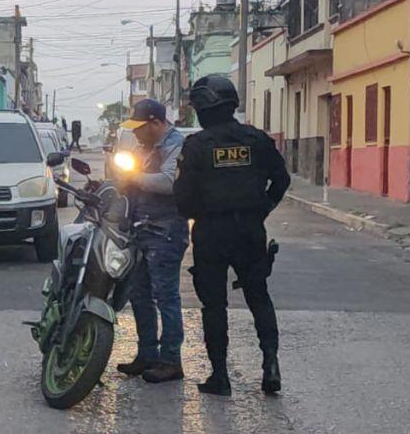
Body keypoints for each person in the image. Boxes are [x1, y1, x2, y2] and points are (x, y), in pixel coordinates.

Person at [174, 75, 291, 397]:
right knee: (258, 296)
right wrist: (261, 210)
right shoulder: (257, 140)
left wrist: (200, 213)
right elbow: (281, 180)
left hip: (211, 232)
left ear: (204, 108)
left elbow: (182, 199)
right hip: (250, 230)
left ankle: (220, 376)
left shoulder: (196, 147)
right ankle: (270, 365)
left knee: (214, 305)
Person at [115, 99, 190, 384]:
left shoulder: (176, 146)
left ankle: (171, 360)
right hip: (141, 229)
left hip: (166, 231)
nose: (135, 134)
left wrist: (132, 177)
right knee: (139, 294)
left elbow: (169, 182)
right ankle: (146, 353)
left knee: (165, 297)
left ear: (157, 123)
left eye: (140, 128)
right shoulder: (143, 148)